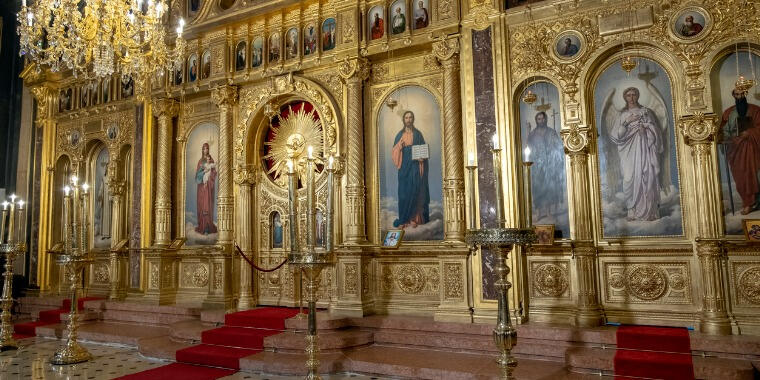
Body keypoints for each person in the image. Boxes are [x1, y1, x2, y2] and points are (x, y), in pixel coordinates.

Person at [610, 87, 664, 221]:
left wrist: (645, 129)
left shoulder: (646, 112)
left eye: (634, 94)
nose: (632, 97)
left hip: (645, 148)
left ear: (638, 96)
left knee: (646, 175)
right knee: (629, 177)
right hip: (628, 151)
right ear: (625, 98)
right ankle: (631, 209)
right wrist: (627, 122)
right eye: (628, 95)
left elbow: (655, 131)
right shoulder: (622, 115)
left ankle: (650, 211)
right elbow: (616, 136)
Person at [720, 88, 760, 215]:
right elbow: (723, 130)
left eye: (742, 94)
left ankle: (752, 203)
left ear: (745, 94)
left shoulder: (755, 110)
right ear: (733, 95)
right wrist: (725, 138)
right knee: (740, 177)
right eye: (737, 94)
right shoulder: (728, 112)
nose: (740, 96)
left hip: (751, 149)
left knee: (753, 175)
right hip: (735, 150)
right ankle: (748, 202)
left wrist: (749, 133)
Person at [391, 111, 430, 228]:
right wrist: (399, 146)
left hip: (415, 167)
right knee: (404, 193)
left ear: (413, 119)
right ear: (404, 120)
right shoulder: (399, 135)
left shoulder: (418, 134)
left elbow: (423, 150)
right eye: (406, 118)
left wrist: (421, 158)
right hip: (404, 168)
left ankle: (414, 218)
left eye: (410, 117)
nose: (408, 120)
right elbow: (394, 152)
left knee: (415, 191)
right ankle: (404, 220)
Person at [526, 111, 566, 220]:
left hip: (549, 166)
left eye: (542, 118)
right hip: (537, 166)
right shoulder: (533, 134)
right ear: (536, 120)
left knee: (548, 188)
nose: (541, 121)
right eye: (539, 119)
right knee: (538, 188)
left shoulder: (552, 132)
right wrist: (528, 131)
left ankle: (548, 211)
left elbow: (558, 146)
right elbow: (528, 146)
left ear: (546, 119)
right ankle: (539, 212)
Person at [195, 142, 218, 234]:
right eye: (204, 149)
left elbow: (214, 172)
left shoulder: (211, 160)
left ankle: (208, 226)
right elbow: (197, 175)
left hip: (209, 187)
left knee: (208, 205)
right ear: (202, 150)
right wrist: (204, 172)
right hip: (201, 188)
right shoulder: (200, 162)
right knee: (202, 205)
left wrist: (210, 176)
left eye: (207, 148)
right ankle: (202, 226)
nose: (206, 150)